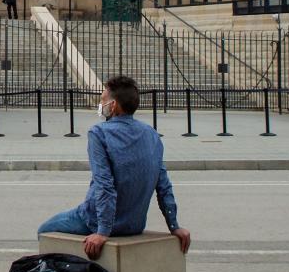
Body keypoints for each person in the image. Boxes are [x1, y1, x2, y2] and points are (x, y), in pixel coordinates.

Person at [39, 76, 192, 259]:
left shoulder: (99, 133)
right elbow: (163, 185)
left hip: (94, 220)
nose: (100, 104)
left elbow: (104, 184)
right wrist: (174, 226)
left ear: (114, 106)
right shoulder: (151, 134)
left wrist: (103, 231)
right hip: (134, 224)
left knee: (44, 230)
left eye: (103, 100)